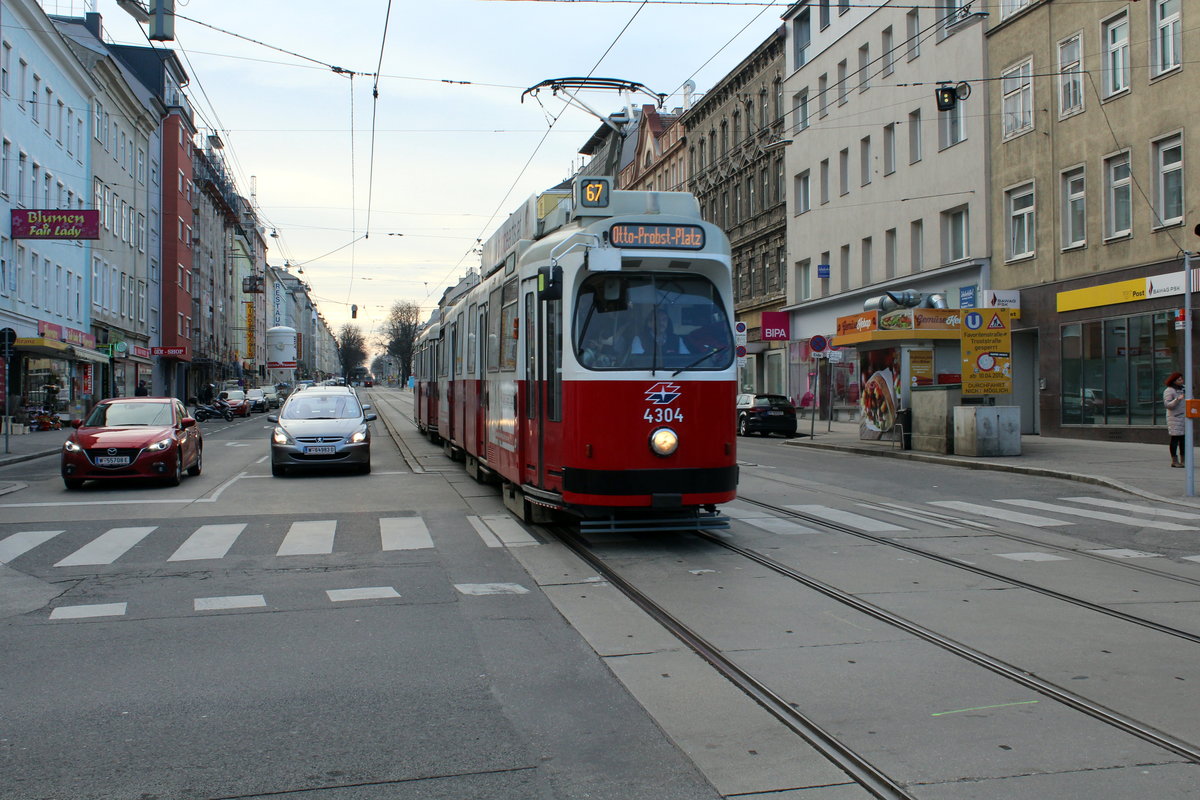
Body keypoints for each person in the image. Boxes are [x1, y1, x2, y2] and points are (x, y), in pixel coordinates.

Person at [1164, 372, 1186, 468]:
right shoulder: (1169, 390)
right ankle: (1174, 460)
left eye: (1182, 379)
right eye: (1179, 379)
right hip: (1175, 418)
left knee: (1183, 440)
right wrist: (1178, 399)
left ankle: (1184, 460)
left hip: (1185, 417)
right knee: (1175, 439)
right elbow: (1168, 405)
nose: (1182, 381)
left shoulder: (1184, 389)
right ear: (1174, 381)